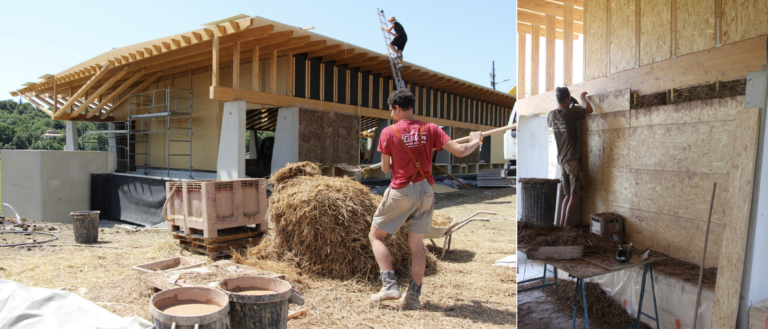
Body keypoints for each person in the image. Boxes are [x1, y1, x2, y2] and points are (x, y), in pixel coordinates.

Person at [368, 89, 482, 309]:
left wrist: (396, 160)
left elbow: (384, 168)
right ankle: (413, 297)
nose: (392, 115)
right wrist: (476, 141)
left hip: (402, 190)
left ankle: (389, 285)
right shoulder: (430, 129)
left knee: (376, 236)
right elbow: (460, 150)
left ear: (398, 108)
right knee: (417, 246)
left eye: (392, 110)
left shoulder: (388, 132)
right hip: (426, 190)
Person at [547, 87, 593, 227]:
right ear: (567, 99)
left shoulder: (551, 115)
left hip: (561, 161)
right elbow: (589, 109)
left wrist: (570, 106)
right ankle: (566, 227)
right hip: (572, 160)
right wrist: (582, 98)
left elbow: (555, 122)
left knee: (567, 195)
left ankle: (561, 227)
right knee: (575, 195)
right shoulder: (571, 113)